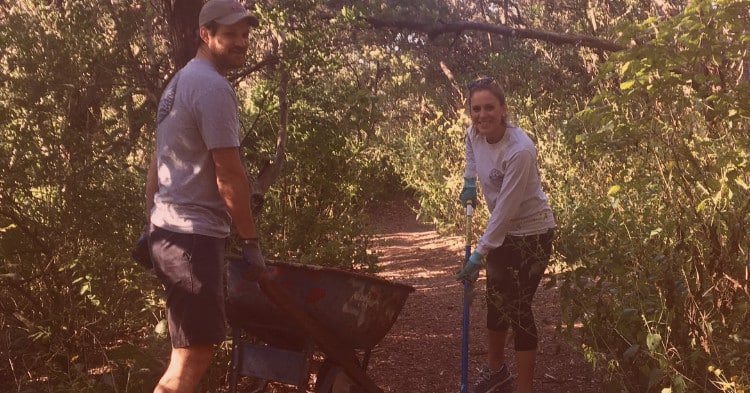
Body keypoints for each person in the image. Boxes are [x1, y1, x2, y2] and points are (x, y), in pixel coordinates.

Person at [144, 1, 265, 391]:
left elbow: (156, 163)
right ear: (205, 34)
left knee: (187, 353)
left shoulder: (178, 83)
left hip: (171, 231)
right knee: (192, 357)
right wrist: (250, 241)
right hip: (192, 237)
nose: (241, 42)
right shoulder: (212, 87)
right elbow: (228, 174)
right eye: (230, 34)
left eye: (245, 34)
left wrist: (152, 222)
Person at [455, 76, 556, 393]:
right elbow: (472, 150)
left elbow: (505, 211)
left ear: (503, 110)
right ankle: (497, 371)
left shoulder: (520, 150)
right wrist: (469, 181)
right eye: (476, 109)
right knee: (496, 301)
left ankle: (524, 389)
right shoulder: (474, 131)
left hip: (532, 234)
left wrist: (479, 253)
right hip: (503, 233)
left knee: (519, 308)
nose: (482, 115)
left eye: (489, 108)